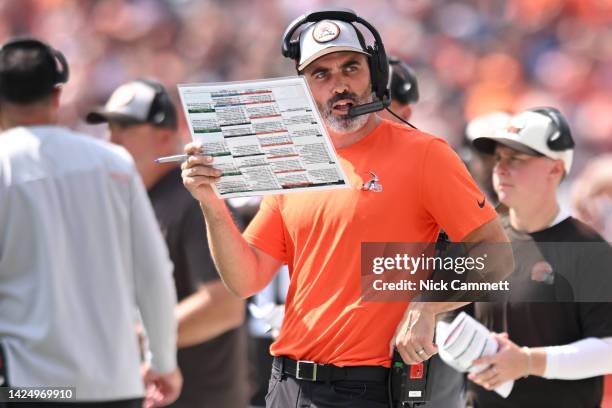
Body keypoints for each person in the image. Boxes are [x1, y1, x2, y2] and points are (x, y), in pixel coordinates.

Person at [181, 9, 511, 407]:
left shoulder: (425, 154)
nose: (339, 85)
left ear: (374, 73)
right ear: (304, 87)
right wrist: (210, 202)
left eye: (350, 67)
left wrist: (428, 306)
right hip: (286, 384)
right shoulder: (295, 159)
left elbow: (498, 256)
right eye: (321, 74)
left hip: (366, 389)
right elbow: (245, 279)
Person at [0, 38, 181, 407]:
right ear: (56, 95)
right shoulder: (114, 162)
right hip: (115, 384)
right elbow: (153, 273)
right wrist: (162, 362)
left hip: (28, 386)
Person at [85, 79, 249, 408]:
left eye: (124, 127)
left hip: (198, 398)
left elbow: (224, 306)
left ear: (164, 135)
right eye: (109, 128)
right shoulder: (142, 198)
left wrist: (132, 340)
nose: (111, 138)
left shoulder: (194, 199)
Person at [468, 107, 612, 407]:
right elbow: (449, 320)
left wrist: (528, 362)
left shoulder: (589, 249)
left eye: (516, 159)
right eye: (498, 158)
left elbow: (608, 351)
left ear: (556, 169)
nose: (501, 169)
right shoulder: (481, 239)